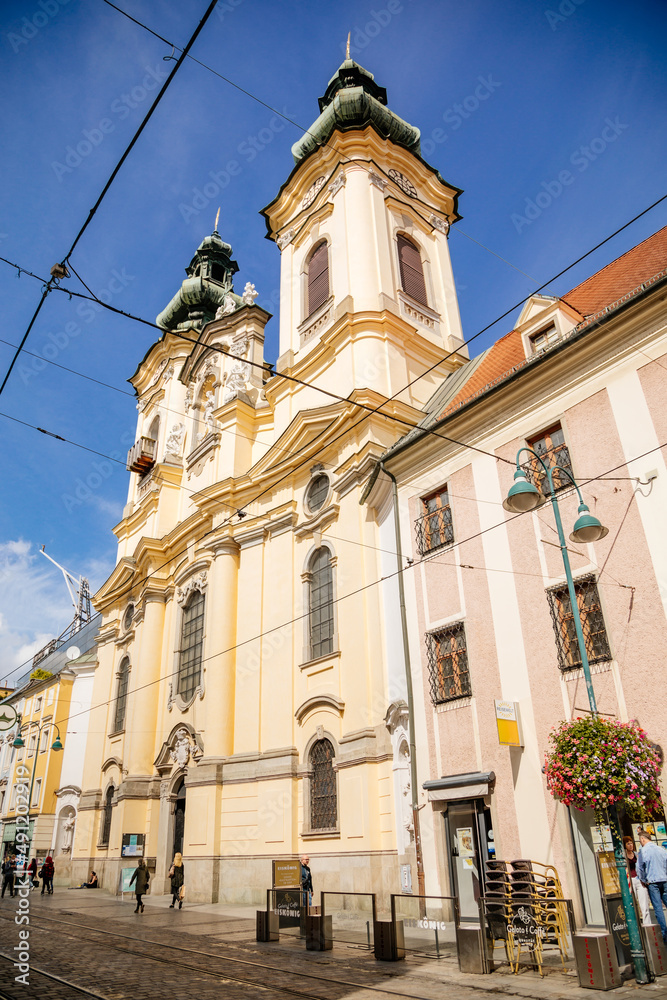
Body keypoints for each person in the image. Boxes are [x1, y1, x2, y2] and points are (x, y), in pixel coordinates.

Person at [637, 828, 667, 945]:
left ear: (643, 839)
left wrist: (644, 880)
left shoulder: (643, 851)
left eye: (640, 841)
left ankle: (664, 934)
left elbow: (640, 868)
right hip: (664, 880)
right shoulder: (661, 849)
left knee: (658, 908)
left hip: (652, 882)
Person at [624, 836, 651, 925]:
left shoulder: (637, 854)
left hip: (639, 879)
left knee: (644, 903)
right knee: (632, 903)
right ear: (625, 845)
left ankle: (647, 923)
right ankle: (636, 924)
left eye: (631, 843)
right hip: (629, 880)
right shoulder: (623, 856)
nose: (631, 845)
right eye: (628, 843)